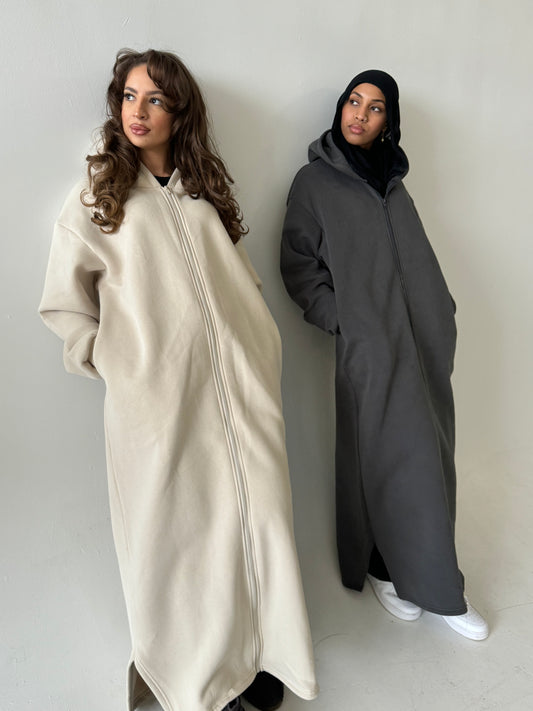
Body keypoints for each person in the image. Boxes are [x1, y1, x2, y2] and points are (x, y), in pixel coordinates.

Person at [39, 49, 318, 711]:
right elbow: (64, 307)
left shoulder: (202, 190)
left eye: (156, 99)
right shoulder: (96, 198)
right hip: (156, 408)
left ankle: (259, 658)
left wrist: (259, 347)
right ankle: (183, 674)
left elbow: (240, 280)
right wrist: (118, 364)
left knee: (257, 521)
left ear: (179, 111)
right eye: (129, 96)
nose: (138, 111)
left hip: (242, 392)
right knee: (174, 539)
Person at [280, 70, 488, 641]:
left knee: (430, 458)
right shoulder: (314, 183)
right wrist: (344, 322)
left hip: (424, 346)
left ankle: (405, 572)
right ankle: (419, 582)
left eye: (375, 108)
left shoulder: (394, 183)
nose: (360, 114)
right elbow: (298, 264)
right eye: (354, 101)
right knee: (385, 459)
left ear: (387, 123)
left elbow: (412, 257)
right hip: (371, 348)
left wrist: (441, 311)